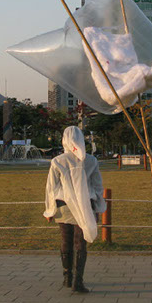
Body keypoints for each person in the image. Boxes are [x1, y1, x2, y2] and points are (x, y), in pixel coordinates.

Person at [43, 126, 107, 293]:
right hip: (85, 205)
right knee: (80, 242)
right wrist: (98, 206)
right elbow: (97, 186)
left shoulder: (58, 161)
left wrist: (49, 210)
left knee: (66, 240)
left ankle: (67, 277)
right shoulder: (91, 160)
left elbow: (51, 188)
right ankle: (78, 280)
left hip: (64, 205)